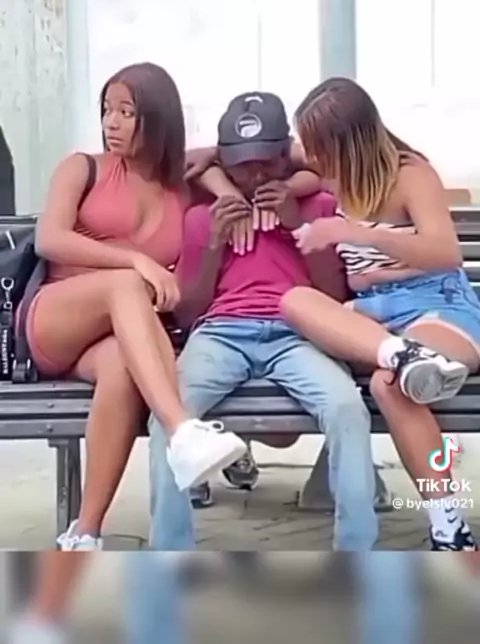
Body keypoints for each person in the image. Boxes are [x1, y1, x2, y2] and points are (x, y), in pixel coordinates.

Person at [21, 62, 249, 552]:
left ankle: (84, 533)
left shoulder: (182, 190)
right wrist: (136, 259)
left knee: (124, 371)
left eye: (127, 112)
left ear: (158, 119)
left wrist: (222, 186)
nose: (111, 122)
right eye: (107, 110)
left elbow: (265, 156)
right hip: (56, 320)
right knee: (126, 284)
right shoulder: (83, 168)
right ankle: (181, 431)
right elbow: (49, 238)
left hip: (118, 337)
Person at [149, 91, 378, 552]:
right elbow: (190, 314)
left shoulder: (317, 207)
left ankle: (356, 553)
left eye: (267, 164)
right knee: (168, 416)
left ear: (285, 156)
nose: (255, 177)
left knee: (347, 409)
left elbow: (333, 297)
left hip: (298, 334)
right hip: (222, 332)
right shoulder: (202, 217)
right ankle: (169, 553)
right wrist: (213, 244)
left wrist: (297, 225)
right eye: (242, 167)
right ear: (225, 164)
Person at [280, 77, 480, 551]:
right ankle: (400, 355)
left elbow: (445, 253)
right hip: (374, 317)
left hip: (436, 305)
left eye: (319, 146)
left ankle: (449, 528)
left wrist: (356, 234)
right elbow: (270, 151)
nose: (311, 156)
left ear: (348, 141)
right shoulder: (328, 168)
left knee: (388, 386)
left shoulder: (410, 174)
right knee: (294, 301)